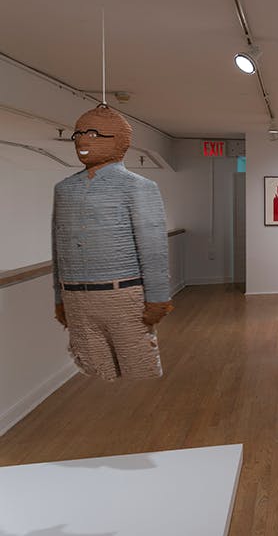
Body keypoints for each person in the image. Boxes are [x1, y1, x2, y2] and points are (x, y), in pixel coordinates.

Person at [51, 104, 173, 380]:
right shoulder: (64, 189)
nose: (83, 140)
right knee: (95, 370)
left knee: (138, 366)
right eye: (79, 134)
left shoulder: (138, 187)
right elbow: (58, 246)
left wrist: (157, 298)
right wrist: (60, 298)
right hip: (76, 298)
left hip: (122, 295)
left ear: (120, 141)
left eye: (93, 134)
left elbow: (152, 246)